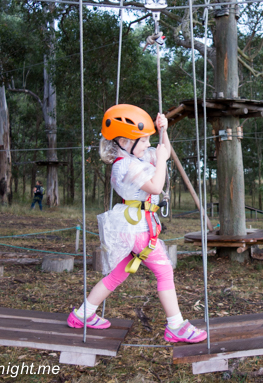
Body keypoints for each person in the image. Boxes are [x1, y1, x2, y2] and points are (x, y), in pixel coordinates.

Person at [67, 104, 206, 343]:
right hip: (137, 230)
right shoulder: (127, 165)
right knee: (164, 271)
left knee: (116, 275)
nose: (147, 145)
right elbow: (156, 186)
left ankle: (82, 314)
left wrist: (163, 131)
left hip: (130, 228)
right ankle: (176, 325)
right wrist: (161, 161)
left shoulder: (135, 155)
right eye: (142, 141)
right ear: (124, 140)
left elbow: (164, 150)